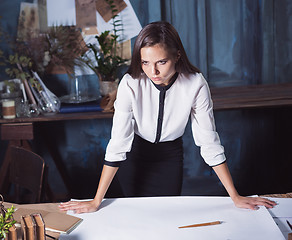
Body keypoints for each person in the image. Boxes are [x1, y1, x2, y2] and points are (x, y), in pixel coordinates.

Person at [59, 21, 276, 213]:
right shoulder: (130, 83)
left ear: (177, 55)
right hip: (135, 157)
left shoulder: (195, 83)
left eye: (161, 62)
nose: (152, 71)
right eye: (145, 63)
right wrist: (96, 201)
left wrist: (235, 196)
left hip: (170, 157)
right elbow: (118, 143)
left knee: (165, 218)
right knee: (136, 221)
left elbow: (209, 141)